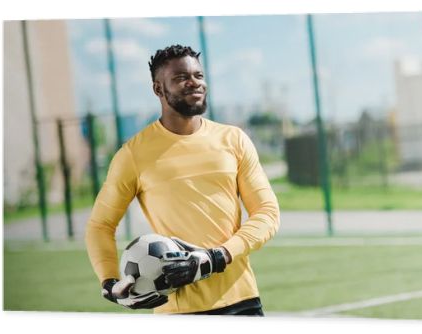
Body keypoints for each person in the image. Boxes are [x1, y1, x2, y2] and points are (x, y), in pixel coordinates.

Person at [85, 44, 280, 316]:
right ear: (158, 89)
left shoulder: (233, 139)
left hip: (242, 301)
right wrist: (109, 282)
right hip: (176, 312)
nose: (194, 83)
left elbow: (267, 213)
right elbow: (100, 225)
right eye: (180, 78)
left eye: (198, 75)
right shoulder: (133, 154)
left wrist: (217, 257)